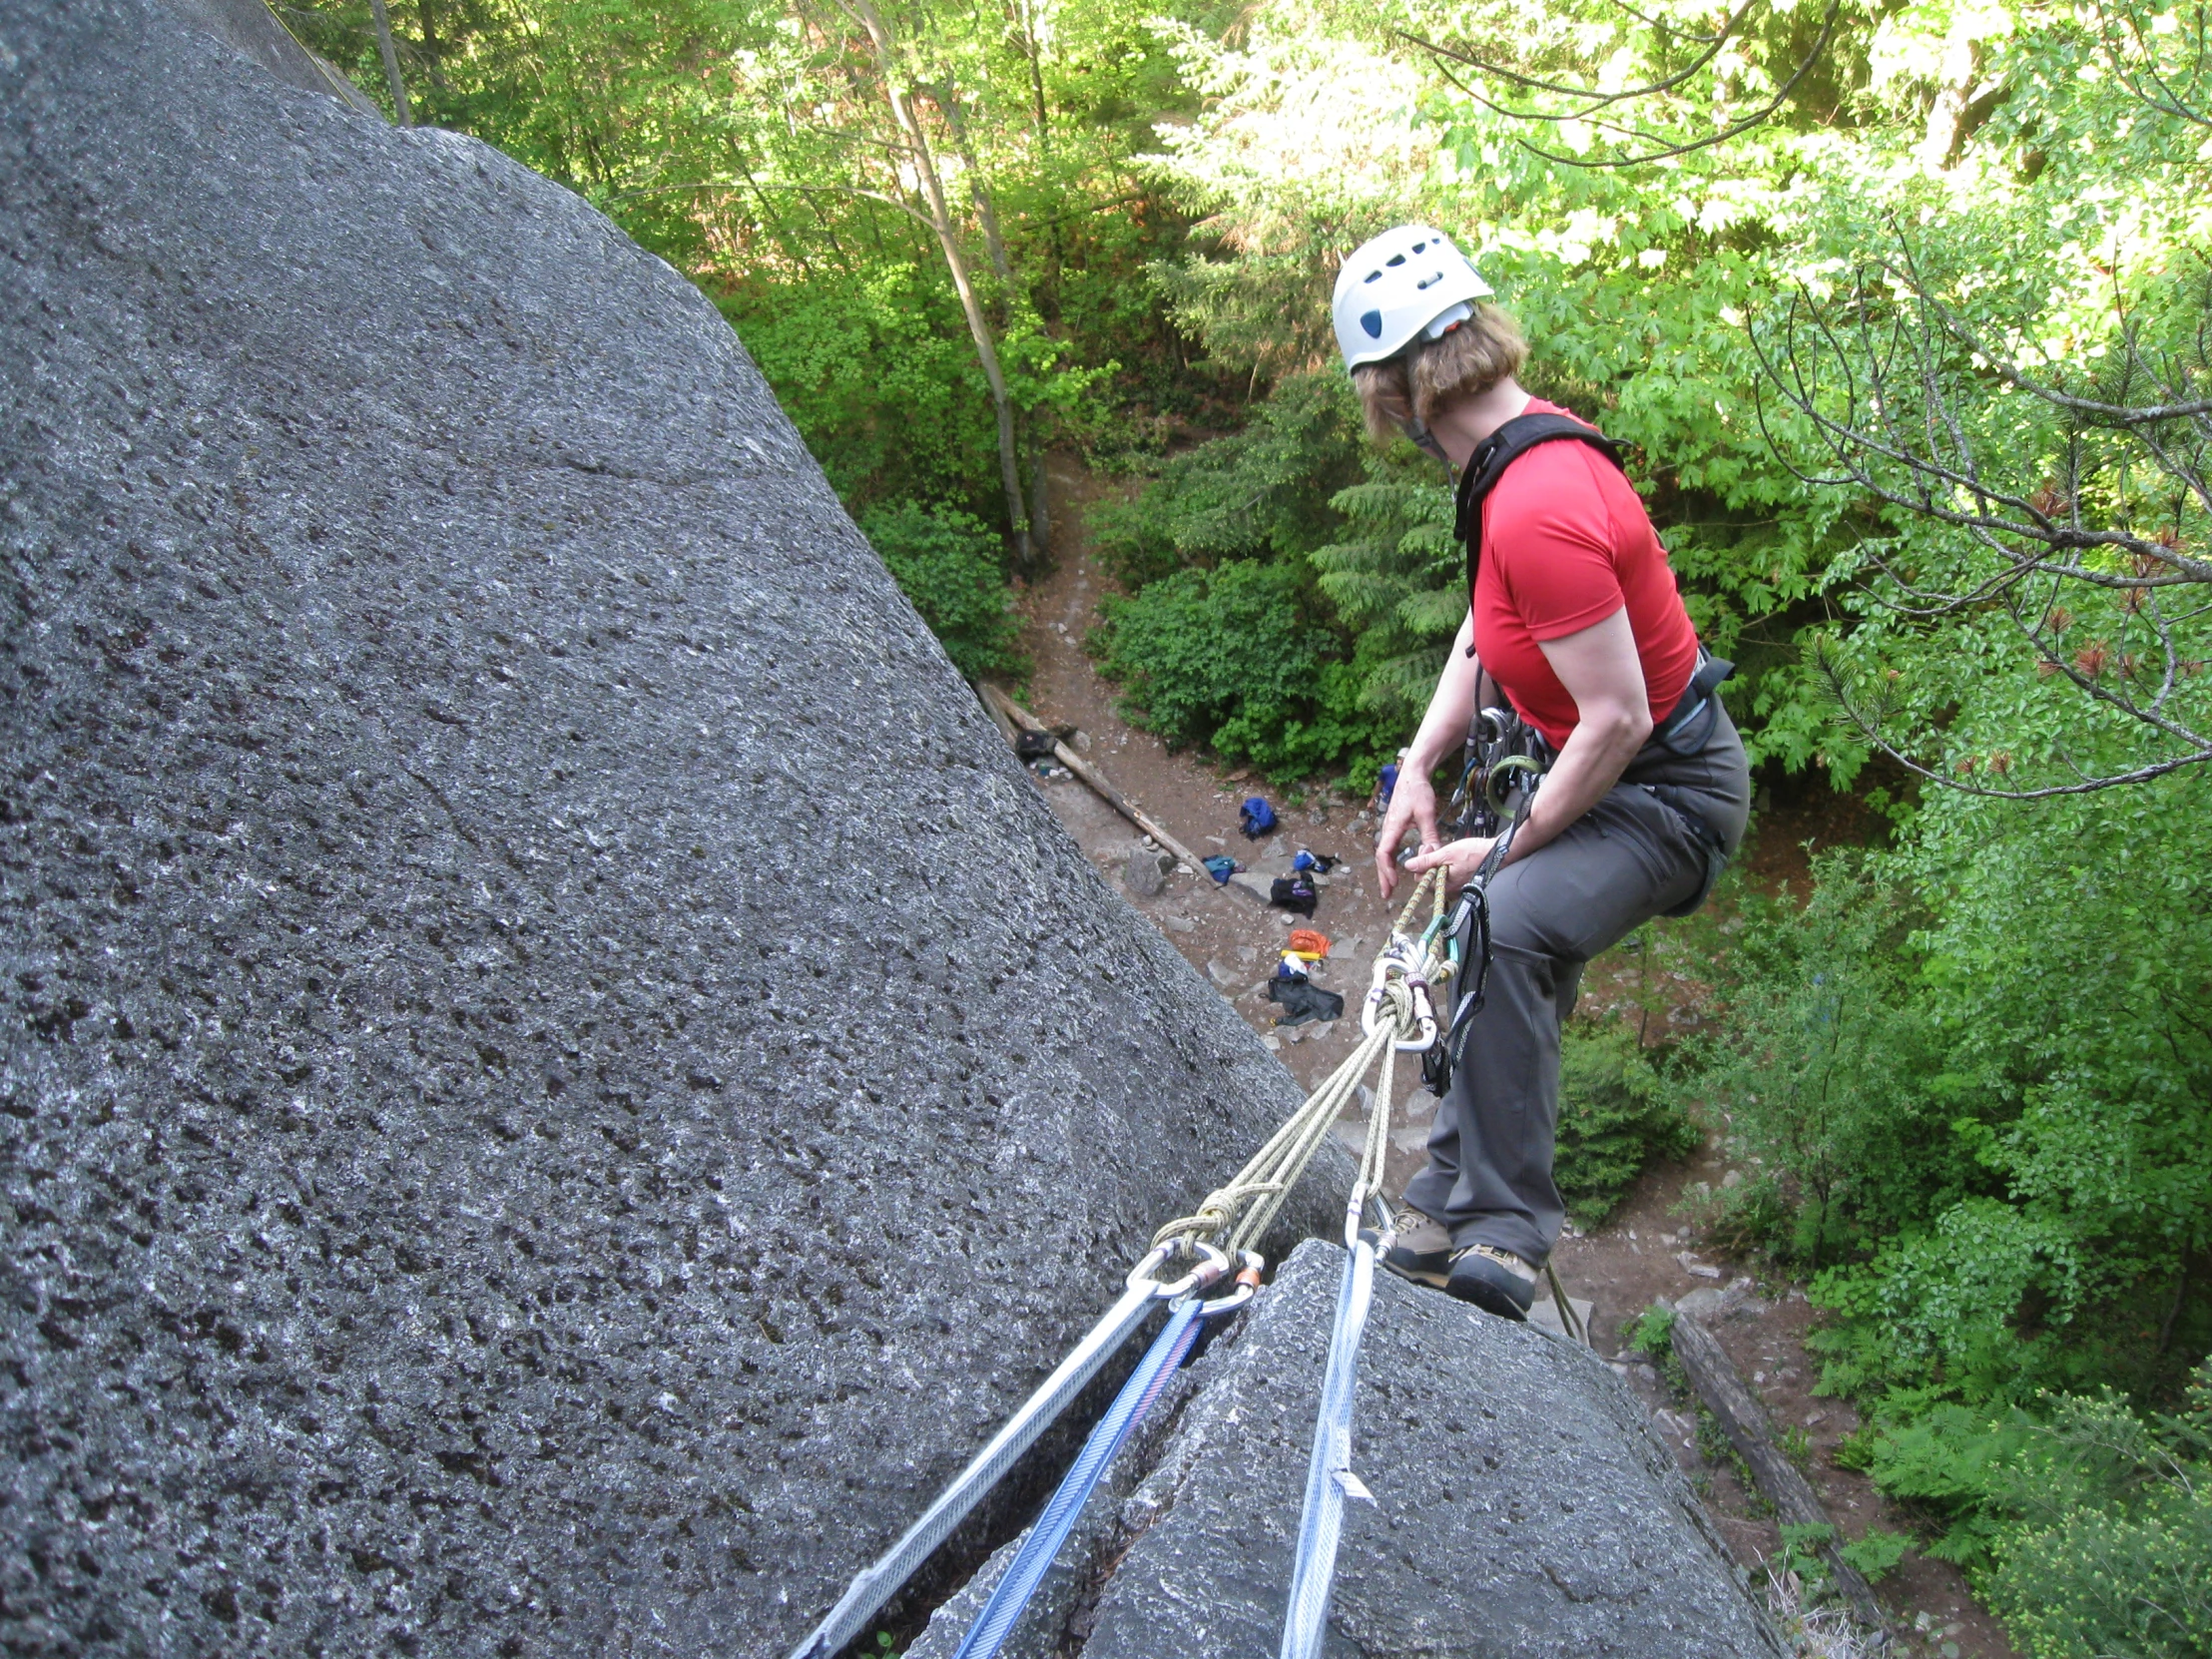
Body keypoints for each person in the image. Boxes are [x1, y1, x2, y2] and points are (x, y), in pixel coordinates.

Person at [1333, 225, 1750, 1320]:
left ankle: (1505, 1230)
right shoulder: (1510, 466)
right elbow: (1483, 634)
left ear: (1396, 394)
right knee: (1490, 917)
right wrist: (1419, 764)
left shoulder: (1535, 500)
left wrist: (1507, 846)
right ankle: (1442, 1199)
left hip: (1667, 793)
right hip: (1622, 776)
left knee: (1506, 914)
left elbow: (1613, 720)